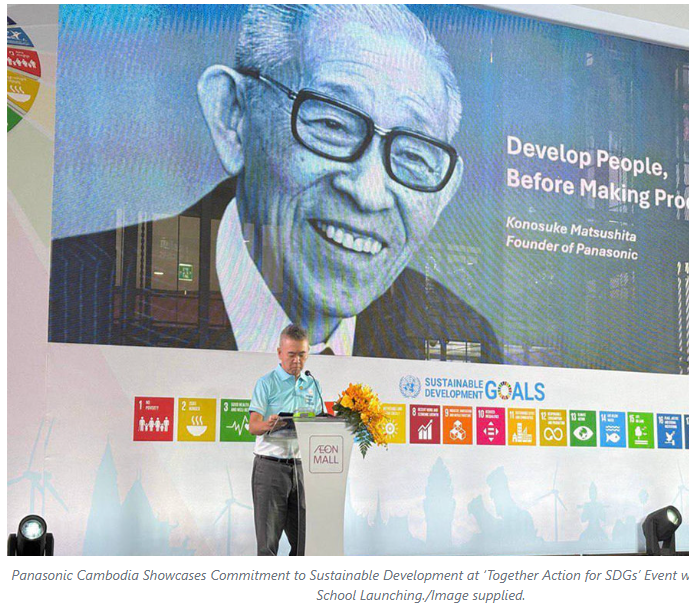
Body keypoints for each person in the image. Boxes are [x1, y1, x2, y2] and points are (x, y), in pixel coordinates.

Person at [48, 4, 501, 363]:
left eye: (413, 155)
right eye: (331, 123)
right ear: (233, 116)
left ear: (444, 194)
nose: (367, 191)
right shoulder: (67, 297)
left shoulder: (462, 340)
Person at [248, 323, 323, 556]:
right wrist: (269, 425)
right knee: (268, 546)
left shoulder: (313, 384)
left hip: (301, 468)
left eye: (302, 354)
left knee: (304, 544)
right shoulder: (266, 383)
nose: (297, 361)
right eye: (291, 355)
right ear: (280, 353)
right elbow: (253, 426)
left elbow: (319, 423)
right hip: (270, 468)